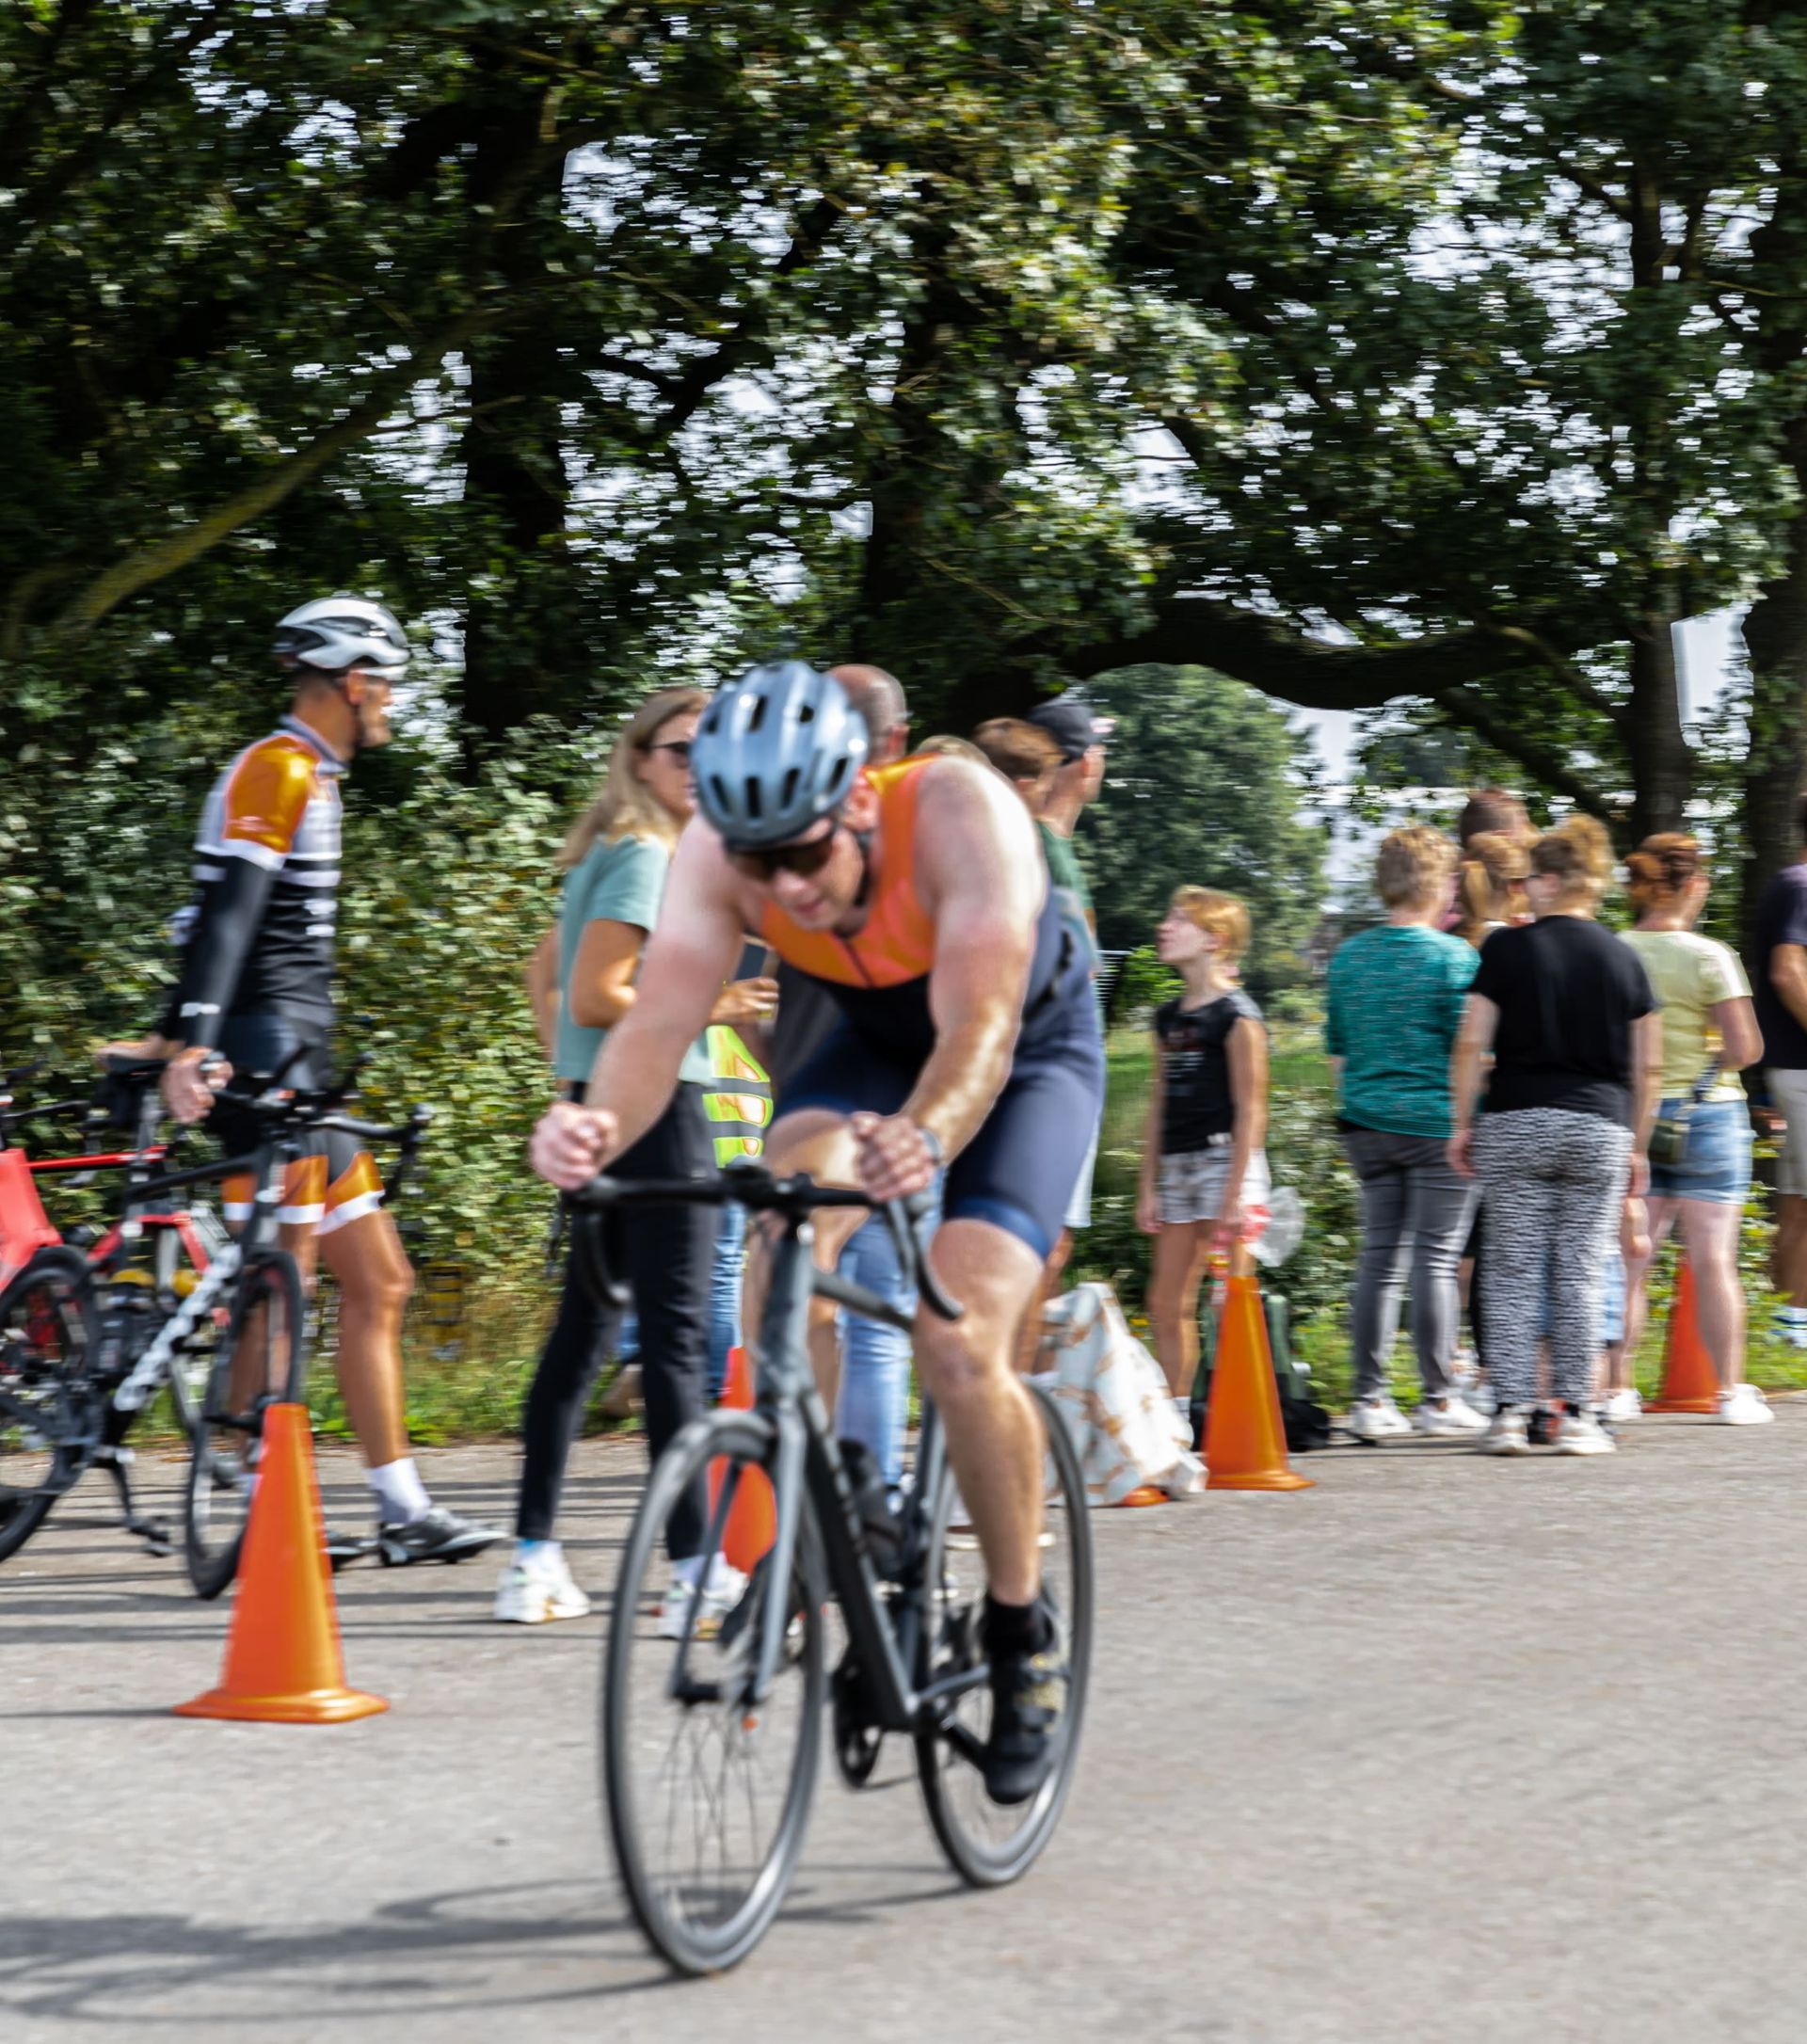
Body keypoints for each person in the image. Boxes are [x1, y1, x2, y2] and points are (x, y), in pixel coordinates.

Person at [531, 660, 1103, 1804]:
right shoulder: (721, 853)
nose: (782, 890)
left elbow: (981, 1032)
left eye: (802, 856)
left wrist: (927, 1136)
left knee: (957, 1337)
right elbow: (654, 1030)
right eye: (756, 863)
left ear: (858, 798)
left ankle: (1015, 1629)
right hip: (861, 1033)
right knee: (785, 1228)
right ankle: (832, 1498)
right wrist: (592, 1128)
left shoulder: (961, 812)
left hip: (1019, 1049)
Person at [151, 597, 497, 1565]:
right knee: (283, 1287)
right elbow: (225, 918)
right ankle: (264, 1498)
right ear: (351, 681)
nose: (389, 702)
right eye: (382, 683)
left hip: (309, 1066)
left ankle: (401, 1506)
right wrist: (195, 1045)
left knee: (380, 1281)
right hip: (265, 1064)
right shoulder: (281, 766)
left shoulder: (317, 778)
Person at [498, 687, 777, 1627]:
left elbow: (548, 978)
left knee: (583, 1339)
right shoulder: (648, 854)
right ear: (640, 757)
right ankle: (696, 1571)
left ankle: (533, 1559)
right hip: (662, 1110)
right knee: (677, 1344)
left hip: (612, 1110)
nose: (697, 766)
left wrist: (572, 1085)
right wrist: (722, 1008)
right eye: (678, 750)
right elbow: (593, 991)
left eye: (712, 751)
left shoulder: (620, 852)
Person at [1448, 817, 1662, 1457]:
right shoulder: (1624, 955)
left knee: (1511, 1271)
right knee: (1580, 1272)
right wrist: (1638, 1143)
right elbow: (1648, 1063)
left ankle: (1512, 1412)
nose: (1521, 893)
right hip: (1598, 1126)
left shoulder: (1506, 950)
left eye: (1527, 881)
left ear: (1548, 881)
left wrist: (1463, 1122)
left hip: (1516, 1122)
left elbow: (1469, 1041)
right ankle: (1577, 1414)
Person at [765, 663, 920, 1490]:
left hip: (829, 1107)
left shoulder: (795, 831)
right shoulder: (889, 842)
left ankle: (835, 1505)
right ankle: (859, 1506)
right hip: (865, 1107)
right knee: (865, 1317)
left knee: (817, 1311)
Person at [1324, 826, 1485, 1441]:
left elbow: (1338, 1051)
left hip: (1365, 1121)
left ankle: (1369, 1398)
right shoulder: (1454, 959)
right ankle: (1439, 1399)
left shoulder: (1349, 956)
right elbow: (1470, 1050)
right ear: (1442, 884)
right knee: (1436, 1260)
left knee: (1379, 1259)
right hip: (1436, 1124)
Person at [1618, 835, 1768, 1423]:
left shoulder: (1617, 950)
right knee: (1713, 1261)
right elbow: (1745, 1047)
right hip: (1711, 1116)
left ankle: (1616, 1388)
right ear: (1693, 885)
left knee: (1632, 1261)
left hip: (1638, 1118)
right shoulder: (1711, 956)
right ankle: (1730, 1392)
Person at [1135, 888, 1270, 1414]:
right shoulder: (1167, 1017)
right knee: (1165, 1302)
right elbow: (1158, 1102)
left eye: (1180, 920)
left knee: (1230, 1300)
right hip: (1178, 1166)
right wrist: (1148, 1186)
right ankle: (1179, 1417)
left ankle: (1242, 1418)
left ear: (1215, 940)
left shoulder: (1237, 1015)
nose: (1165, 927)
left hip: (1225, 1164)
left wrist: (1235, 1196)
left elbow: (1252, 1109)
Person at [1752, 792, 1807, 1350]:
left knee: (1796, 1201)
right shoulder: (1801, 886)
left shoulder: (1791, 883)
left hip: (1791, 1066)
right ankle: (1794, 1327)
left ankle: (1788, 1327)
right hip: (1801, 1066)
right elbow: (1788, 973)